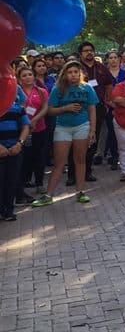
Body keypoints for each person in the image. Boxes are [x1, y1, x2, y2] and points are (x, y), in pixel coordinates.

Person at [33, 60, 98, 206]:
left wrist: (92, 130)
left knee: (80, 160)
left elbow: (92, 109)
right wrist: (65, 108)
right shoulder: (58, 89)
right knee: (59, 163)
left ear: (80, 73)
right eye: (70, 72)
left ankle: (80, 192)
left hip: (82, 126)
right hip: (63, 127)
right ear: (65, 74)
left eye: (76, 72)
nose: (73, 75)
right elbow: (50, 110)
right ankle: (48, 195)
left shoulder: (87, 88)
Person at [67, 41, 111, 186]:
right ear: (80, 53)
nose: (89, 52)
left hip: (96, 109)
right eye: (86, 51)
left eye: (91, 50)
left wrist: (107, 102)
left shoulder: (102, 68)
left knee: (92, 141)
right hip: (77, 109)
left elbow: (109, 85)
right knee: (75, 143)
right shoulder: (75, 68)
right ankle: (72, 175)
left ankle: (87, 171)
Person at [17, 65, 49, 201]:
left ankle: (40, 183)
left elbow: (45, 107)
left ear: (33, 76)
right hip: (22, 130)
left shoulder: (41, 91)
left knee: (39, 156)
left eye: (29, 74)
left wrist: (35, 119)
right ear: (19, 79)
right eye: (24, 75)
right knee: (24, 157)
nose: (27, 77)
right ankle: (24, 182)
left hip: (39, 127)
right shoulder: (16, 92)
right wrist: (25, 122)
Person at [0, 86, 29, 221]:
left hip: (14, 150)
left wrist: (19, 143)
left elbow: (25, 127)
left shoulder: (17, 107)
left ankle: (8, 210)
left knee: (11, 181)